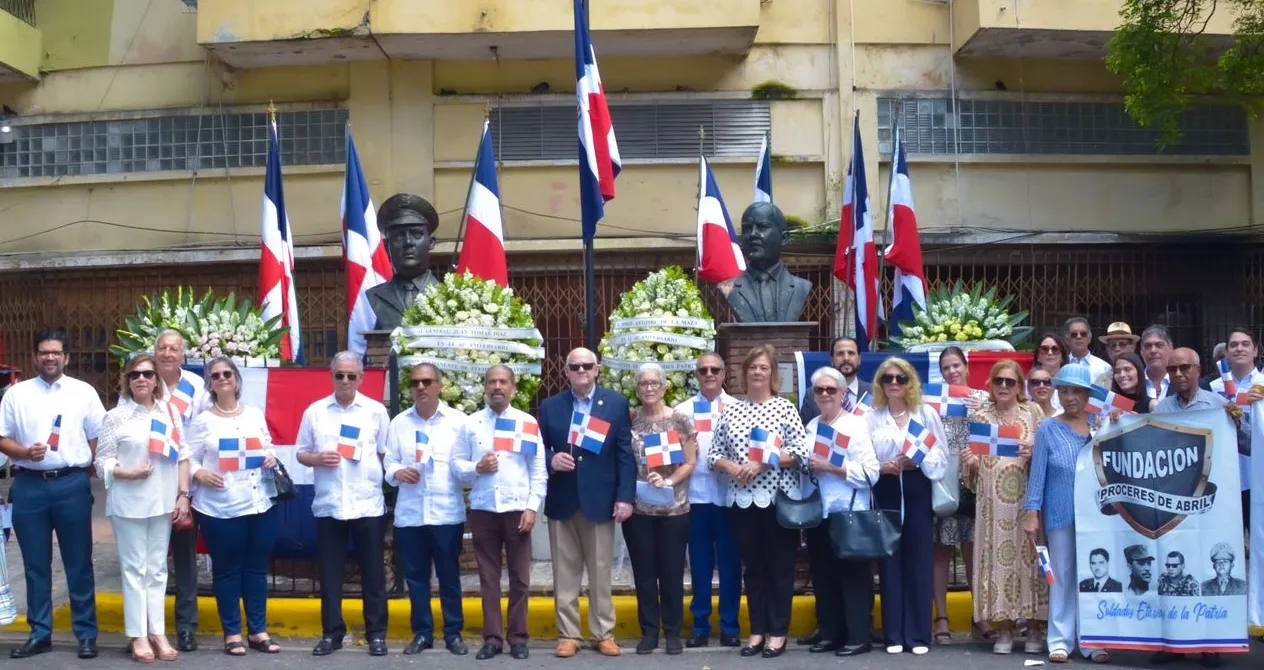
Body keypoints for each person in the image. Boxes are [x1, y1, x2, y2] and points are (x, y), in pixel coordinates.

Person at [0, 328, 106, 660]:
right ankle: (40, 633)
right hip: (29, 486)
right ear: (35, 357)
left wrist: (92, 468)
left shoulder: (83, 392)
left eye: (56, 352)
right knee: (35, 565)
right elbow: (1, 438)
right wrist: (22, 452)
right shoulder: (16, 395)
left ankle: (86, 634)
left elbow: (99, 438)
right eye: (44, 352)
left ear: (66, 357)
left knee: (79, 564)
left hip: (71, 484)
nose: (50, 357)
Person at [709, 344, 809, 658]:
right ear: (744, 372)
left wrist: (764, 463)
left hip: (779, 499)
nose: (757, 372)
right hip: (742, 501)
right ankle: (757, 631)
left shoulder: (785, 408)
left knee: (779, 569)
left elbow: (802, 452)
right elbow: (714, 454)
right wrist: (732, 467)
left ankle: (778, 633)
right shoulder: (732, 410)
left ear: (772, 373)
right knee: (753, 570)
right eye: (752, 367)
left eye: (763, 367)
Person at [539, 347, 635, 658]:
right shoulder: (551, 406)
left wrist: (625, 497)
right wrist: (552, 459)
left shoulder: (616, 404)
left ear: (597, 370)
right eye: (574, 366)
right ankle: (568, 635)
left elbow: (624, 454)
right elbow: (536, 450)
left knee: (600, 571)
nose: (581, 371)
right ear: (565, 371)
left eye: (587, 366)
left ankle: (602, 633)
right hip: (562, 499)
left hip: (600, 500)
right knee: (565, 574)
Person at [95, 354, 192, 662]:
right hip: (129, 503)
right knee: (135, 569)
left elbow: (184, 456)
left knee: (158, 569)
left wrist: (183, 496)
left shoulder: (170, 413)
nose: (141, 379)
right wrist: (126, 473)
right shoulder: (116, 417)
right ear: (128, 379)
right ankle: (138, 635)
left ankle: (158, 632)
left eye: (148, 374)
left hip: (163, 502)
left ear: (156, 381)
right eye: (135, 374)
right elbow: (102, 462)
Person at [296, 352, 392, 657]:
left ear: (361, 378)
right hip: (330, 503)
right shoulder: (315, 412)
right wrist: (316, 458)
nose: (346, 381)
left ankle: (376, 634)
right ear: (332, 376)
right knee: (330, 573)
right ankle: (331, 633)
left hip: (367, 503)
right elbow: (300, 452)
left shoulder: (376, 411)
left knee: (374, 573)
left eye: (352, 375)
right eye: (340, 375)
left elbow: (386, 454)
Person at [187, 356, 281, 657]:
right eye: (216, 375)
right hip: (221, 507)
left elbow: (267, 445)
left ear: (237, 379)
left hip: (259, 504)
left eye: (228, 373)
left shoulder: (253, 414)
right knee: (227, 571)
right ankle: (232, 633)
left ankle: (258, 630)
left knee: (255, 569)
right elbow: (188, 457)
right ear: (210, 384)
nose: (223, 378)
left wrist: (270, 457)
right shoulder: (203, 421)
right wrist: (199, 474)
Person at [452, 365, 547, 661]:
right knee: (488, 578)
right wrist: (475, 468)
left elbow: (538, 469)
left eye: (503, 382)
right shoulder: (471, 424)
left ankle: (518, 637)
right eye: (492, 381)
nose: (497, 386)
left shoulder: (526, 421)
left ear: (513, 388)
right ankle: (492, 639)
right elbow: (456, 465)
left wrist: (532, 507)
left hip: (517, 509)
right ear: (484, 387)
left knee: (520, 578)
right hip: (483, 509)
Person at [1023, 364, 1109, 664]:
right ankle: (1059, 640)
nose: (1070, 397)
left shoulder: (1102, 426)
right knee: (1061, 576)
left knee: (1095, 577)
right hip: (1060, 514)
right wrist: (1032, 511)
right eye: (1065, 390)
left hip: (1097, 518)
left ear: (1088, 394)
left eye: (1076, 391)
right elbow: (1038, 474)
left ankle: (1093, 640)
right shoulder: (1048, 428)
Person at [384, 364, 469, 656]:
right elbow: (388, 462)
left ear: (439, 386)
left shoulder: (458, 422)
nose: (420, 387)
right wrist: (397, 473)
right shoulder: (399, 423)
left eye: (427, 381)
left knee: (449, 576)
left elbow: (467, 465)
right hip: (411, 514)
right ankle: (422, 634)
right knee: (416, 579)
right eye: (415, 382)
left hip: (446, 513)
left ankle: (454, 633)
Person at [866, 357, 948, 655]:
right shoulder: (872, 416)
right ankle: (894, 635)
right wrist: (880, 466)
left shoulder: (924, 414)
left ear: (910, 382)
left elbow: (941, 452)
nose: (895, 384)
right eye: (888, 379)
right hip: (886, 488)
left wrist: (920, 460)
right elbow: (863, 455)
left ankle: (917, 635)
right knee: (890, 562)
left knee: (918, 560)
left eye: (901, 379)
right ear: (881, 384)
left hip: (916, 487)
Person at [965, 360, 1048, 655]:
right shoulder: (981, 416)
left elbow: (1046, 454)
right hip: (992, 506)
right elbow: (970, 474)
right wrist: (972, 464)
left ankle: (1036, 626)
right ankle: (1006, 627)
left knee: (1031, 563)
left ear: (1019, 386)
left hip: (1026, 500)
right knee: (998, 565)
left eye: (1009, 382)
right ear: (991, 383)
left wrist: (1033, 451)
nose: (1003, 387)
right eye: (998, 381)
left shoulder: (1033, 413)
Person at [802, 366, 879, 657]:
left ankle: (858, 636)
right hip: (819, 512)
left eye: (830, 390)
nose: (824, 394)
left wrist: (835, 468)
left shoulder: (857, 425)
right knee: (823, 576)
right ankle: (831, 633)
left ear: (842, 394)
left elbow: (871, 472)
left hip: (849, 512)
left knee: (853, 577)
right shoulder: (811, 427)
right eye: (819, 390)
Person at [625, 363, 697, 655]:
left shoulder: (679, 420)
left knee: (671, 574)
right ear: (638, 389)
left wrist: (667, 480)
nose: (650, 388)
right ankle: (649, 632)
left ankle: (673, 632)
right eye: (644, 384)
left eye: (655, 383)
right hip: (639, 511)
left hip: (673, 510)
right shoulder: (631, 420)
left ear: (665, 387)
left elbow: (690, 462)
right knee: (644, 574)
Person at [673, 353, 740, 648]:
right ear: (697, 375)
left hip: (729, 498)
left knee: (730, 566)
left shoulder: (739, 408)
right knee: (699, 566)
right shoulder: (681, 411)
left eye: (715, 370)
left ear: (724, 374)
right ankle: (700, 626)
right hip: (696, 498)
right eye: (704, 370)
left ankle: (730, 625)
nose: (709, 374)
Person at [153, 329, 210, 652]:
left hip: (185, 481)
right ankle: (152, 627)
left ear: (183, 354)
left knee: (185, 560)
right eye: (162, 347)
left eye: (173, 348)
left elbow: (202, 433)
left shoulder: (196, 386)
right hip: (150, 480)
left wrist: (185, 489)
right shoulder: (144, 380)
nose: (167, 353)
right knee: (152, 561)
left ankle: (186, 627)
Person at [932, 346, 987, 644]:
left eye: (956, 366)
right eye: (946, 368)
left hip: (975, 480)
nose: (952, 371)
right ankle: (941, 616)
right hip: (944, 482)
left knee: (973, 549)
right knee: (941, 549)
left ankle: (980, 615)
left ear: (966, 367)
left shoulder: (981, 399)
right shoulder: (933, 402)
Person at [1209, 328, 1263, 529]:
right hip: (1224, 474)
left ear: (1256, 351)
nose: (1239, 348)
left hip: (1257, 473)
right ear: (1228, 352)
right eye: (1234, 345)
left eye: (1245, 344)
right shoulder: (1212, 387)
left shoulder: (1263, 384)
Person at [723, 202, 812, 323]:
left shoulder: (802, 287)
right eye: (747, 229)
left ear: (784, 238)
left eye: (762, 227)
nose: (753, 234)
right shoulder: (728, 288)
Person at [364, 193, 441, 332]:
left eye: (416, 234)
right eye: (399, 236)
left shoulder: (448, 295)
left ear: (431, 242)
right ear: (387, 246)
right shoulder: (376, 296)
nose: (408, 243)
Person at [800, 337, 873, 424]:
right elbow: (804, 431)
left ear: (859, 359)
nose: (846, 358)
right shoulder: (813, 394)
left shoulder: (874, 392)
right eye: (840, 354)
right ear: (832, 360)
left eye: (851, 353)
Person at [1063, 317, 1112, 386]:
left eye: (1083, 334)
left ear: (1089, 338)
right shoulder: (1061, 365)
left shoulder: (1104, 367)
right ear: (1067, 339)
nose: (1079, 337)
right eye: (1074, 334)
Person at [1035, 332, 1069, 412]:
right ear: (1038, 357)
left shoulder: (1072, 384)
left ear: (1062, 357)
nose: (1050, 353)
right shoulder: (1028, 385)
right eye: (1044, 349)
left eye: (1055, 349)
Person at [1140, 325, 1174, 402]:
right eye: (1148, 346)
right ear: (1141, 351)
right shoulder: (1133, 383)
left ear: (1171, 348)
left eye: (1159, 345)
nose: (1153, 350)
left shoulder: (1180, 381)